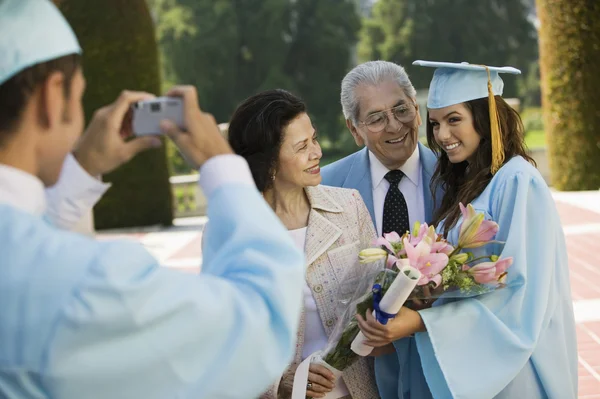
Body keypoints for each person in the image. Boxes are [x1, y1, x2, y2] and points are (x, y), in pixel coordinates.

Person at [0, 1, 305, 398]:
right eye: (79, 96)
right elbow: (258, 330)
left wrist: (80, 170)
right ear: (52, 96)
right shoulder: (88, 283)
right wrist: (222, 166)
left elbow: (27, 245)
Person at [355, 60, 578, 398]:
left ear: (486, 117)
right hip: (476, 365)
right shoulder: (471, 182)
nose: (442, 135)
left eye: (454, 119)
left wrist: (418, 322)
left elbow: (520, 293)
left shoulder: (518, 181)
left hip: (512, 369)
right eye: (435, 123)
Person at [227, 89, 380, 399]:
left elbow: (378, 294)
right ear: (269, 162)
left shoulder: (348, 207)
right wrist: (281, 381)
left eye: (314, 139)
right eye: (301, 147)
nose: (317, 152)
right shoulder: (233, 234)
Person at [320, 60, 440, 397]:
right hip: (360, 376)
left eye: (401, 109)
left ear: (416, 110)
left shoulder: (459, 179)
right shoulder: (327, 187)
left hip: (440, 365)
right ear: (354, 129)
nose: (394, 126)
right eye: (376, 118)